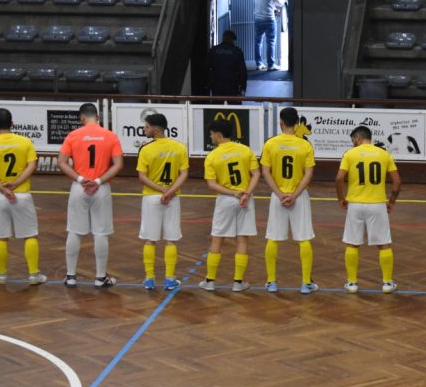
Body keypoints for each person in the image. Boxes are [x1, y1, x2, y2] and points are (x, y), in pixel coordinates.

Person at [59, 103, 123, 288]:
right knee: (101, 233)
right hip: (100, 187)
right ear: (98, 117)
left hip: (79, 187)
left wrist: (81, 179)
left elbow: (61, 162)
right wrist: (98, 181)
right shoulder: (110, 136)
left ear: (82, 117)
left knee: (74, 231)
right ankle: (100, 278)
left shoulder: (73, 135)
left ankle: (71, 276)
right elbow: (118, 165)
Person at [0, 108, 45, 286]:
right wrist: (15, 184)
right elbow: (32, 166)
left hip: (1, 197)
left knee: (0, 237)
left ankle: (1, 275)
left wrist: (3, 188)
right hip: (22, 194)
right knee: (30, 235)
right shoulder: (25, 142)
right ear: (12, 123)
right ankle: (33, 274)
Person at [335, 125, 402, 294]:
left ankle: (352, 283)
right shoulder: (384, 154)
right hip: (377, 204)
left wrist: (341, 198)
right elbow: (397, 182)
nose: (353, 143)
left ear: (358, 138)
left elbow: (339, 178)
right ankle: (387, 283)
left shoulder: (350, 154)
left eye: (353, 140)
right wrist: (391, 201)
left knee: (352, 243)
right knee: (383, 244)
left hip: (355, 205)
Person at [260, 106, 318, 294]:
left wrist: (279, 194)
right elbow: (309, 174)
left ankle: (271, 282)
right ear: (297, 123)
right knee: (304, 239)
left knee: (273, 238)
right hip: (299, 197)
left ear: (281, 122)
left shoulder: (270, 144)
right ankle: (306, 283)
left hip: (278, 197)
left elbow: (265, 172)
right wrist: (294, 195)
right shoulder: (305, 145)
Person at [201, 119, 261, 292]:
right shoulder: (246, 150)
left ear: (218, 135)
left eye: (211, 134)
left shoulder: (212, 156)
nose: (211, 137)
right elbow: (256, 174)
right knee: (242, 239)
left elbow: (212, 184)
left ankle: (210, 281)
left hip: (225, 199)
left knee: (217, 239)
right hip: (246, 199)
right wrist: (246, 193)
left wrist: (233, 193)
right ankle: (238, 282)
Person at [136, 113, 189, 292]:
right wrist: (170, 191)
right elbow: (184, 174)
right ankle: (169, 279)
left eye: (147, 127)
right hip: (172, 198)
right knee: (171, 240)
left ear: (156, 129)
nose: (144, 129)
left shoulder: (146, 149)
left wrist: (161, 190)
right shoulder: (179, 147)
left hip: (152, 197)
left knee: (150, 239)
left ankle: (149, 279)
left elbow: (142, 177)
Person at [207, 30, 248, 97]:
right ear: (232, 40)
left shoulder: (213, 50)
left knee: (217, 102)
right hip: (232, 85)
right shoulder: (237, 51)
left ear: (223, 38)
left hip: (217, 84)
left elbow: (206, 67)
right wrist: (243, 87)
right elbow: (243, 71)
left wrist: (208, 85)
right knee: (233, 102)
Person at [254, 0, 286, 72]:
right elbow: (280, 3)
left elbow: (263, 2)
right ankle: (270, 65)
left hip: (258, 19)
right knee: (271, 42)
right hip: (269, 19)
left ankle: (259, 64)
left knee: (258, 42)